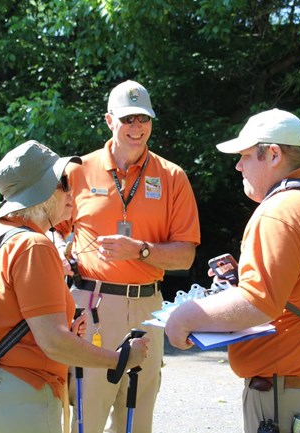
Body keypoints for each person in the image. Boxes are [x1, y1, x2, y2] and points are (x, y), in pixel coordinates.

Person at [164, 109, 300, 433]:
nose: (239, 166)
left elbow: (259, 303)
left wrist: (183, 317)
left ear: (274, 154)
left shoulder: (280, 211)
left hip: (292, 397)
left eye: (246, 156)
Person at [0, 140, 149, 433]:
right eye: (63, 183)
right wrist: (121, 359)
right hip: (19, 400)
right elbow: (53, 343)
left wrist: (64, 328)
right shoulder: (33, 245)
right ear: (39, 193)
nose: (72, 191)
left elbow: (3, 316)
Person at [53, 80, 201, 433]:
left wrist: (141, 251)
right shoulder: (78, 170)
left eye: (143, 119)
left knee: (137, 418)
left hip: (149, 307)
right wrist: (60, 252)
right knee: (86, 414)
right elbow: (52, 227)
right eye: (128, 119)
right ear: (109, 121)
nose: (137, 128)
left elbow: (185, 257)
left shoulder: (172, 177)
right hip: (91, 305)